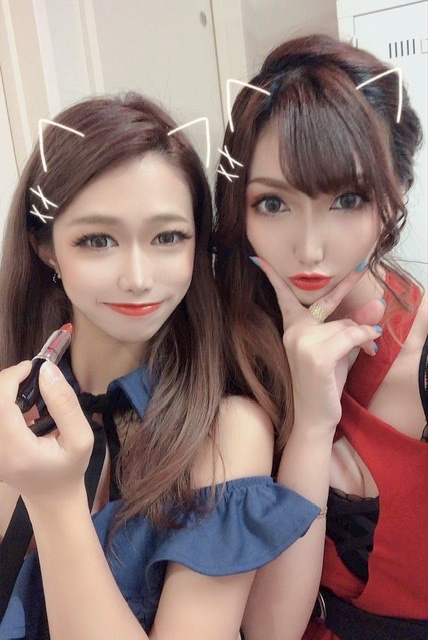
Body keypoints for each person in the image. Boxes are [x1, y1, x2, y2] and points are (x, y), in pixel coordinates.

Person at [0, 93, 321, 640]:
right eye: (97, 240)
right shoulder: (13, 405)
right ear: (46, 247)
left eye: (168, 237)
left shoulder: (225, 431)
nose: (138, 278)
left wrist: (56, 504)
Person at [214, 34, 427, 639]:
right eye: (273, 203)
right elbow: (269, 629)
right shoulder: (224, 351)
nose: (309, 248)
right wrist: (310, 424)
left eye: (348, 198)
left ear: (397, 192)